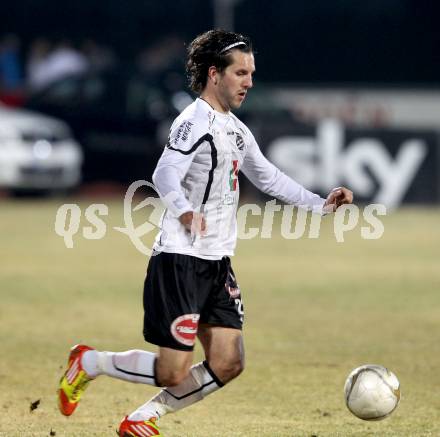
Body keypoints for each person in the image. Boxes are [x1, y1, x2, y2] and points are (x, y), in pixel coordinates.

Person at [57, 29, 353, 436]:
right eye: (241, 73)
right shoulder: (192, 121)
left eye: (251, 73)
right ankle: (89, 363)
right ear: (215, 74)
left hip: (217, 263)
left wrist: (321, 205)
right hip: (181, 261)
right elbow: (165, 172)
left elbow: (268, 177)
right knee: (170, 371)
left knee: (229, 362)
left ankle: (143, 418)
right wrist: (182, 211)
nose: (249, 81)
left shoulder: (234, 128)